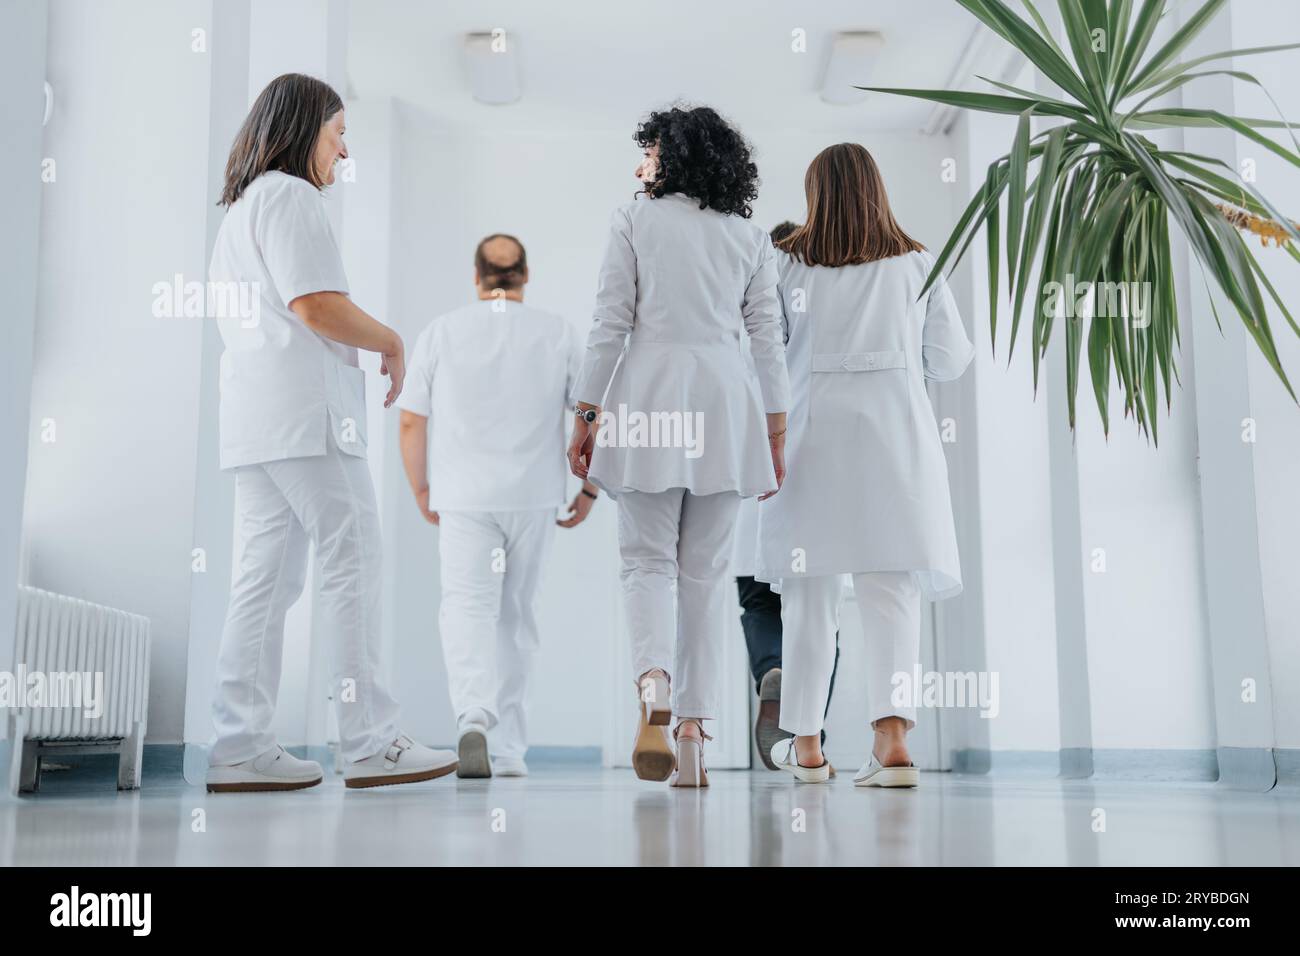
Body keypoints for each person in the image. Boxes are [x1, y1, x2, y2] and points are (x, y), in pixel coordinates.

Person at [206, 73, 458, 792]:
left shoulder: (241, 210)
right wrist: (392, 340)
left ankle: (239, 746)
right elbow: (315, 304)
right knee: (352, 559)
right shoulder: (289, 196)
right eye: (339, 132)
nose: (344, 151)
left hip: (258, 417)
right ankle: (369, 740)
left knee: (265, 578)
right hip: (305, 415)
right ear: (304, 128)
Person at [568, 105, 790, 788]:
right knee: (705, 574)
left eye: (653, 151)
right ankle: (693, 737)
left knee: (644, 565)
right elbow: (767, 341)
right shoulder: (749, 237)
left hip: (648, 398)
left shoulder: (633, 220)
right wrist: (775, 435)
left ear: (672, 157)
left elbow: (609, 323)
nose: (646, 163)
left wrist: (586, 412)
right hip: (726, 406)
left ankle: (654, 688)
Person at [757, 142, 974, 788]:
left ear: (814, 193)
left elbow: (764, 355)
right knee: (891, 595)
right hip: (892, 444)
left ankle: (807, 748)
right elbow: (951, 359)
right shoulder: (916, 264)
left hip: (811, 443)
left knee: (808, 599)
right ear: (878, 190)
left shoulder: (785, 265)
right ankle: (893, 744)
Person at [397, 234, 599, 779]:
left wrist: (422, 488)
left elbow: (412, 418)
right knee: (517, 617)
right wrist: (591, 489)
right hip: (533, 498)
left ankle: (473, 714)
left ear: (476, 276)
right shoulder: (557, 332)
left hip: (462, 498)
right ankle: (509, 752)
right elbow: (590, 414)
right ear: (525, 276)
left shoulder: (443, 331)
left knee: (465, 608)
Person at [733, 220, 841, 770]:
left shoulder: (746, 317)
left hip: (756, 481)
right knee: (818, 609)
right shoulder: (825, 304)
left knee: (758, 597)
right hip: (817, 469)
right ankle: (810, 733)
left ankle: (771, 667)